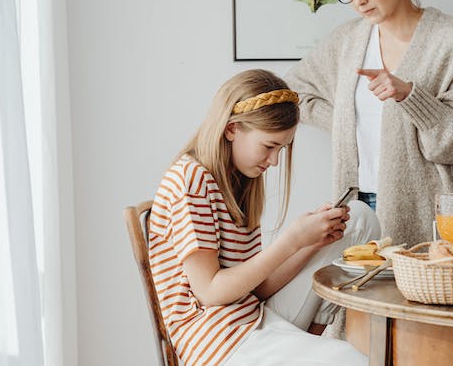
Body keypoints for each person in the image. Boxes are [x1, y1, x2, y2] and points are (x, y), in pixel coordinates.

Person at [148, 69, 377, 365]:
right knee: (354, 360)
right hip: (216, 340)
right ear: (231, 129)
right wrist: (292, 241)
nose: (274, 161)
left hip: (252, 315)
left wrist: (312, 242)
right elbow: (210, 292)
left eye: (281, 148)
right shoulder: (190, 179)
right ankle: (311, 347)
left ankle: (309, 339)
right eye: (269, 146)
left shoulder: (238, 181)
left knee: (359, 217)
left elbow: (255, 288)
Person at [285, 0, 453, 248]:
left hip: (433, 214)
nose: (357, 1)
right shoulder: (347, 41)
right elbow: (293, 93)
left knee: (428, 295)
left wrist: (411, 96)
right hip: (358, 207)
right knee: (359, 294)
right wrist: (348, 121)